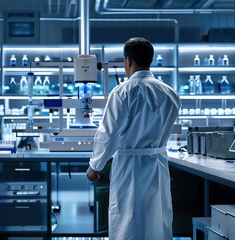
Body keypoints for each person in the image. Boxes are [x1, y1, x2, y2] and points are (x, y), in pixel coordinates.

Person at [86, 37, 181, 240]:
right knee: (157, 218)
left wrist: (95, 165)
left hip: (130, 167)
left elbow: (108, 133)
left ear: (127, 61)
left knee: (129, 221)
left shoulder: (123, 92)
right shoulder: (170, 93)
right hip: (157, 165)